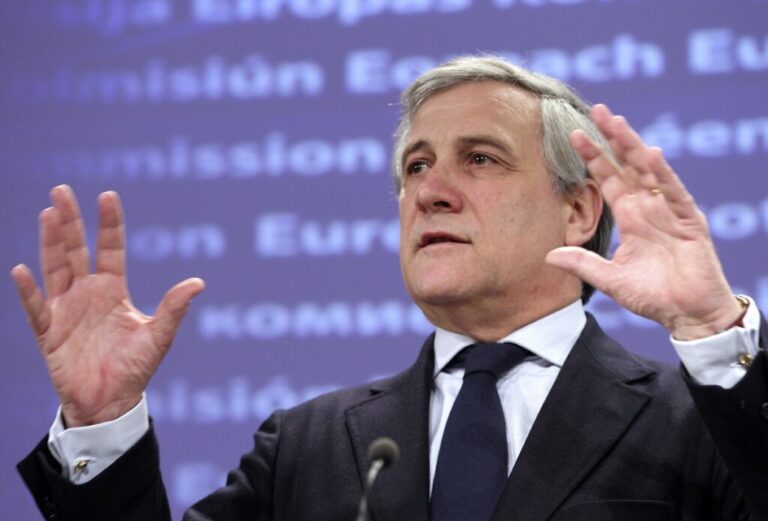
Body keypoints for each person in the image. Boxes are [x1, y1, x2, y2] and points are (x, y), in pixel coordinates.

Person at [14, 56, 767, 520]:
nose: (430, 191)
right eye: (415, 167)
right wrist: (103, 421)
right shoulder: (306, 446)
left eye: (480, 159)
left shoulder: (699, 423)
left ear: (577, 210)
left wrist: (710, 325)